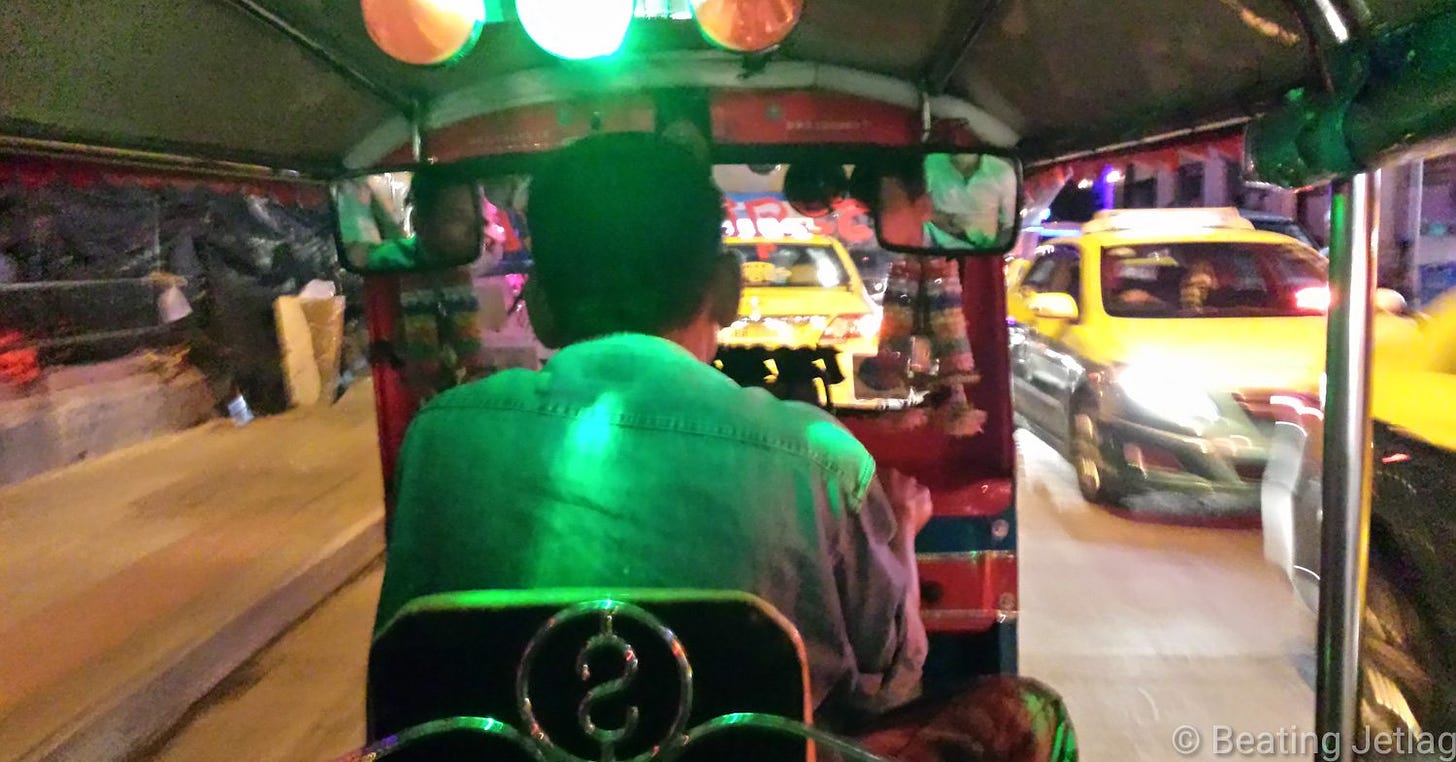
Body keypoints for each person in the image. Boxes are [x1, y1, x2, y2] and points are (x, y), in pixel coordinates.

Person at [374, 133, 1072, 760]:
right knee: (1026, 716)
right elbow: (887, 686)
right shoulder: (819, 460)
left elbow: (408, 676)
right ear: (729, 294)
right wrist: (906, 534)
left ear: (544, 305)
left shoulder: (438, 436)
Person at [924, 153, 1017, 249]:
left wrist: (993, 250)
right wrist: (945, 219)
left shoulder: (1003, 171)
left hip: (983, 251)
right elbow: (915, 207)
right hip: (937, 245)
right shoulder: (931, 163)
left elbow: (1009, 225)